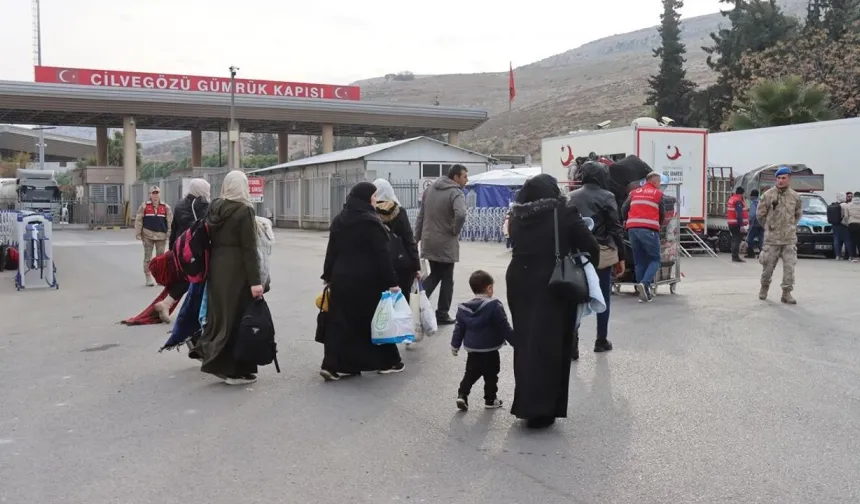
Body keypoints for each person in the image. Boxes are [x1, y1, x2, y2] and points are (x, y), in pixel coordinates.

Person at [506, 174, 599, 429]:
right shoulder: (563, 212)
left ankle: (526, 404)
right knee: (551, 344)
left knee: (526, 342)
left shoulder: (517, 216)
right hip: (553, 282)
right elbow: (590, 245)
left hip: (519, 280)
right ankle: (544, 409)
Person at [320, 182, 404, 381]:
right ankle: (388, 362)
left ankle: (332, 365)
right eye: (374, 197)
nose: (376, 200)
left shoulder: (340, 219)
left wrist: (328, 275)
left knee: (340, 323)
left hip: (341, 278)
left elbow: (332, 250)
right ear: (367, 198)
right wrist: (392, 281)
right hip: (367, 280)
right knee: (376, 321)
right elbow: (382, 255)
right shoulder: (371, 221)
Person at [193, 171, 263, 385]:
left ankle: (233, 367)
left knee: (221, 317)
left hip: (217, 267)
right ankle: (232, 369)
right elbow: (249, 248)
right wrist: (255, 282)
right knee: (237, 318)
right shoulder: (244, 210)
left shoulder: (215, 207)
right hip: (237, 270)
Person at [567, 161, 624, 356]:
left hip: (577, 253)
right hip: (602, 252)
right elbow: (615, 228)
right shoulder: (607, 196)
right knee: (604, 295)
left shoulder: (571, 196)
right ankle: (601, 340)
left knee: (577, 297)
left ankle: (573, 343)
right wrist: (621, 257)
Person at [450, 270, 514, 412]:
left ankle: (462, 394)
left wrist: (455, 346)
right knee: (491, 375)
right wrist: (517, 342)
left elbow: (459, 328)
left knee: (470, 373)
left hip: (473, 349)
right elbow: (504, 327)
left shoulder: (464, 309)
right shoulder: (494, 306)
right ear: (489, 288)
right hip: (490, 349)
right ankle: (490, 399)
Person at [415, 164, 468, 325]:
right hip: (445, 242)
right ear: (455, 177)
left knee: (436, 273)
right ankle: (441, 312)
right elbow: (461, 214)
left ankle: (417, 303)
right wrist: (455, 230)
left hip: (429, 240)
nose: (467, 180)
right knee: (447, 278)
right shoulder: (456, 192)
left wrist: (416, 238)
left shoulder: (430, 190)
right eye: (464, 176)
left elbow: (421, 215)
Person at [153, 178, 211, 323]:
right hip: (194, 251)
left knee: (187, 279)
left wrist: (172, 251)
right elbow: (202, 226)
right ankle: (196, 315)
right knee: (197, 278)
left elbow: (174, 230)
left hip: (180, 250)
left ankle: (166, 304)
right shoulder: (200, 204)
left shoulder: (180, 204)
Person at [756, 166, 802, 304]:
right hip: (772, 239)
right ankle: (764, 287)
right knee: (768, 267)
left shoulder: (795, 196)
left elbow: (797, 214)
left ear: (789, 179)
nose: (780, 181)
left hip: (789, 239)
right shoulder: (768, 195)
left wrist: (789, 226)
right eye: (778, 178)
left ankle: (786, 293)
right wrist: (769, 227)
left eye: (783, 178)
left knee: (789, 268)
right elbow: (760, 215)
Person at [372, 179, 420, 298]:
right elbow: (409, 239)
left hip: (378, 264)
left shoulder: (370, 212)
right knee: (401, 300)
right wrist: (416, 266)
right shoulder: (399, 211)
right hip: (401, 263)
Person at [621, 172, 665, 303]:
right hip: (649, 229)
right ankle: (645, 283)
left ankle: (642, 293)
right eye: (659, 183)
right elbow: (662, 212)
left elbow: (624, 208)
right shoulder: (657, 194)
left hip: (632, 228)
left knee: (639, 261)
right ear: (655, 182)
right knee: (655, 259)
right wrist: (659, 225)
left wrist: (626, 220)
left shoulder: (634, 193)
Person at [134, 185, 173, 286]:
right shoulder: (144, 206)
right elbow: (139, 220)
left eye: (157, 193)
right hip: (147, 235)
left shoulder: (165, 207)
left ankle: (159, 277)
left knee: (160, 258)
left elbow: (170, 221)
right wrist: (138, 233)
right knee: (148, 257)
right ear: (150, 195)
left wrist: (169, 232)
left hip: (161, 236)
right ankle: (148, 277)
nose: (155, 195)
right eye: (153, 193)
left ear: (160, 194)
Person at [727, 186, 749, 262]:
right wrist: (742, 225)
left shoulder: (732, 198)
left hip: (731, 223)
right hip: (736, 224)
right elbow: (739, 214)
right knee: (737, 240)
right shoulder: (738, 201)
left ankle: (734, 256)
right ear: (742, 193)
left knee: (734, 239)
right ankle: (735, 256)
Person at [829, 194, 849, 260]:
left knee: (836, 240)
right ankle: (849, 255)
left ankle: (837, 255)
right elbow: (846, 216)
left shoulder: (834, 204)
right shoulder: (845, 205)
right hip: (843, 225)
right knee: (847, 240)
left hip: (835, 224)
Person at [745, 189, 763, 258]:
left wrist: (749, 221)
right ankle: (762, 253)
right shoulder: (761, 202)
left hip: (754, 224)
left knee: (750, 238)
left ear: (752, 196)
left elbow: (752, 214)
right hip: (762, 223)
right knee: (761, 238)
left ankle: (750, 253)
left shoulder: (753, 203)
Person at [842, 191, 860, 263]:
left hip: (852, 224)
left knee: (852, 241)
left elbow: (846, 216)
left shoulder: (848, 205)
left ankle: (853, 257)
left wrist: (847, 223)